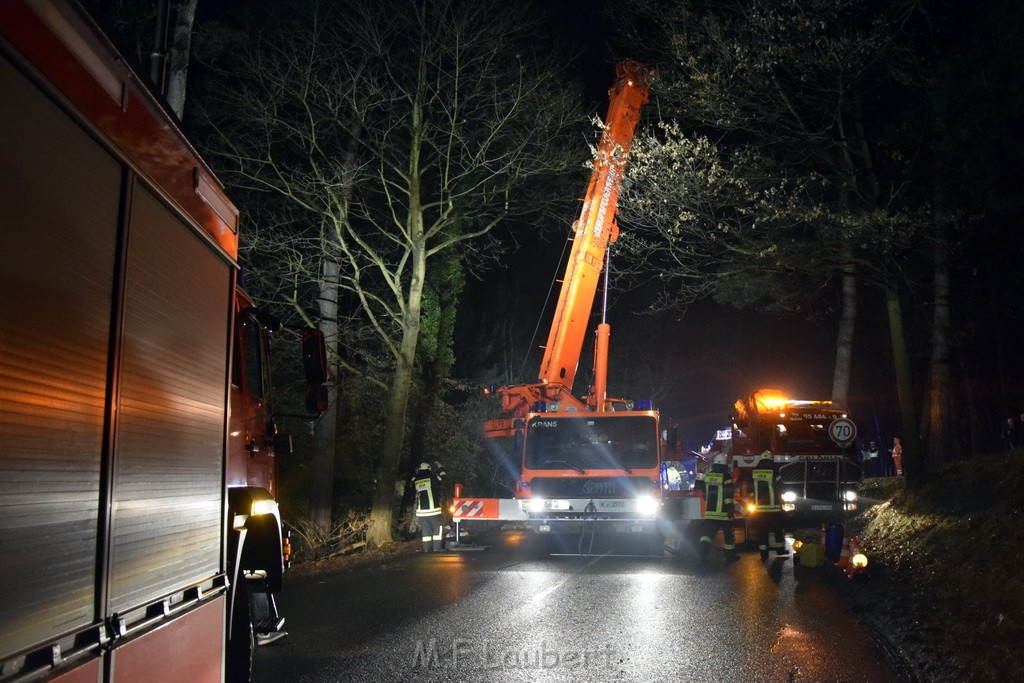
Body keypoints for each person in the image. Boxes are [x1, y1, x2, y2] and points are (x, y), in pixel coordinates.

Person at [697, 454, 738, 564]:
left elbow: (704, 494)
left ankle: (702, 555)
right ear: (725, 464)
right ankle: (730, 557)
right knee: (728, 536)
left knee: (706, 535)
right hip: (724, 513)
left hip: (710, 513)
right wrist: (730, 507)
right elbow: (728, 493)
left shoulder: (708, 476)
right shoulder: (726, 476)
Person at [751, 450, 787, 560]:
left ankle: (763, 553)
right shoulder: (774, 471)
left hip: (759, 509)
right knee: (778, 529)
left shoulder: (754, 472)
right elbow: (780, 486)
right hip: (774, 508)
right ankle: (780, 550)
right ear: (771, 460)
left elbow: (749, 488)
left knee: (762, 531)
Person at [412, 461, 446, 552]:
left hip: (421, 512)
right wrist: (440, 468)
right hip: (433, 510)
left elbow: (412, 481)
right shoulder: (432, 477)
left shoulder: (416, 479)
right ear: (428, 468)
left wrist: (416, 473)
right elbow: (443, 478)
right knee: (437, 527)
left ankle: (426, 549)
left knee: (425, 530)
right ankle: (437, 547)